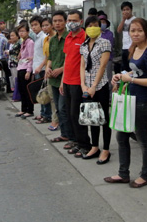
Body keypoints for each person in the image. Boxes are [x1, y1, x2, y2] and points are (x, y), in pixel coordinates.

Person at [104, 18, 147, 188]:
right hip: (129, 98)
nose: (135, 34)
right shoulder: (132, 50)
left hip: (143, 101)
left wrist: (131, 80)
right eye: (132, 31)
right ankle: (123, 173)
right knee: (121, 137)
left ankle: (145, 175)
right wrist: (121, 77)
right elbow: (133, 72)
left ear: (146, 32)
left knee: (143, 140)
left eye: (139, 31)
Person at [80, 16, 112, 164]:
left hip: (101, 86)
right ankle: (94, 147)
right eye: (89, 25)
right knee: (92, 118)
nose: (92, 27)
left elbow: (102, 66)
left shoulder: (105, 42)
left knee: (104, 118)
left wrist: (94, 86)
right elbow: (82, 65)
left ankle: (106, 149)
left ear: (99, 27)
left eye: (95, 25)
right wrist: (83, 85)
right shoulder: (84, 44)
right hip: (87, 86)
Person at [61, 10, 90, 158]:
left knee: (77, 115)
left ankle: (85, 145)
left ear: (81, 21)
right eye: (69, 20)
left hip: (78, 82)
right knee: (70, 115)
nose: (71, 23)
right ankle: (77, 142)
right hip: (67, 81)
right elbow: (67, 59)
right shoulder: (68, 37)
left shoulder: (85, 37)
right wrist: (62, 81)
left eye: (74, 20)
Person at [46, 11, 75, 146]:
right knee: (58, 108)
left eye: (60, 21)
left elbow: (72, 59)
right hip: (53, 79)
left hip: (65, 79)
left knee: (64, 108)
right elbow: (50, 58)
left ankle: (70, 136)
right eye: (55, 21)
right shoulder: (52, 40)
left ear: (65, 22)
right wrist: (48, 68)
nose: (57, 23)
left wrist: (61, 69)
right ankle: (64, 134)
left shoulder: (69, 38)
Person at [30, 15, 52, 124]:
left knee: (45, 93)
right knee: (40, 92)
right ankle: (43, 113)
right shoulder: (37, 37)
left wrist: (40, 66)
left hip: (43, 68)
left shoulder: (44, 38)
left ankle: (47, 115)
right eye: (32, 25)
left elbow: (46, 56)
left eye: (36, 25)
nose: (34, 27)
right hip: (37, 68)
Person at [14, 23, 35, 118]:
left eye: (23, 31)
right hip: (20, 67)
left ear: (27, 32)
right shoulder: (23, 42)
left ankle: (29, 110)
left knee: (27, 91)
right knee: (21, 90)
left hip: (26, 68)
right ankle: (23, 109)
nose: (21, 33)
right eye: (20, 31)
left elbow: (31, 57)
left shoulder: (30, 42)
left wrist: (28, 71)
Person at [42, 17, 59, 130]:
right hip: (49, 70)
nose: (45, 27)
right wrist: (46, 68)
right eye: (43, 25)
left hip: (58, 71)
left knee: (57, 100)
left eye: (47, 25)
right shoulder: (47, 39)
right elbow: (48, 56)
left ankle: (56, 121)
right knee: (51, 97)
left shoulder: (57, 38)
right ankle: (54, 120)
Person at [117, 1, 136, 71]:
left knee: (132, 67)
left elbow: (136, 35)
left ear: (131, 10)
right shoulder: (124, 21)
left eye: (127, 9)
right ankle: (126, 81)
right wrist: (123, 19)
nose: (126, 11)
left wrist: (132, 46)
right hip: (124, 47)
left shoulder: (135, 20)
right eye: (124, 10)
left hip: (132, 48)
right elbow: (119, 30)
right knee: (124, 68)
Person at [99, 14, 115, 91]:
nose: (102, 23)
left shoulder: (109, 33)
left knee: (108, 78)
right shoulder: (95, 33)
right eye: (100, 22)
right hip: (97, 59)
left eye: (104, 22)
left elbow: (109, 46)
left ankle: (109, 97)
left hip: (107, 58)